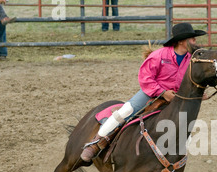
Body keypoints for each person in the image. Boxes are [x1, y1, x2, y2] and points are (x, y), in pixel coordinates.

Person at [80, 22, 207, 162]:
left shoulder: (191, 60)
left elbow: (193, 80)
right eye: (193, 39)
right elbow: (145, 78)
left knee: (184, 128)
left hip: (176, 98)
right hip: (151, 93)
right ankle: (95, 144)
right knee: (126, 111)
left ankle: (174, 165)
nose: (196, 42)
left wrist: (199, 92)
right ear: (182, 41)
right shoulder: (159, 55)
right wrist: (163, 92)